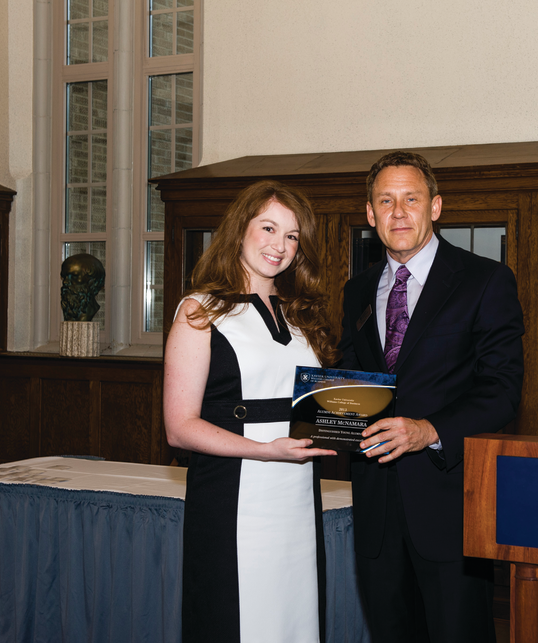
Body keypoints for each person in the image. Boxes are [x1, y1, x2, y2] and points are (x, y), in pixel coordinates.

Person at [338, 151, 525, 643]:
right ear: (370, 214)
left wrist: (429, 430)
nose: (399, 212)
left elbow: (503, 391)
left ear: (436, 207)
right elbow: (350, 382)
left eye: (411, 199)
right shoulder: (355, 292)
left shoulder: (485, 281)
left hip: (451, 507)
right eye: (386, 200)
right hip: (376, 507)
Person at [164, 180, 339, 643]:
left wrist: (358, 421)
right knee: (234, 619)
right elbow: (179, 428)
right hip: (232, 495)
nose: (279, 246)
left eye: (292, 236)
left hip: (297, 492)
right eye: (268, 228)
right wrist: (266, 451)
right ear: (240, 229)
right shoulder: (199, 311)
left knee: (296, 617)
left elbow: (316, 406)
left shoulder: (302, 313)